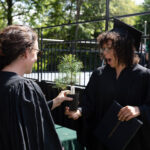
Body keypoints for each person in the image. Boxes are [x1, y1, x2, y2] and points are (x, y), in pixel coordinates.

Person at [65, 18, 150, 150]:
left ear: (124, 48)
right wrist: (79, 112)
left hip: (132, 144)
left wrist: (139, 110)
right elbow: (89, 102)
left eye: (109, 48)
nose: (104, 53)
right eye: (103, 48)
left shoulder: (144, 76)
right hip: (101, 142)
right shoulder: (99, 74)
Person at [0, 25, 72, 150]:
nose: (37, 58)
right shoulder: (24, 87)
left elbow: (22, 114)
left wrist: (55, 101)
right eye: (37, 52)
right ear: (26, 52)